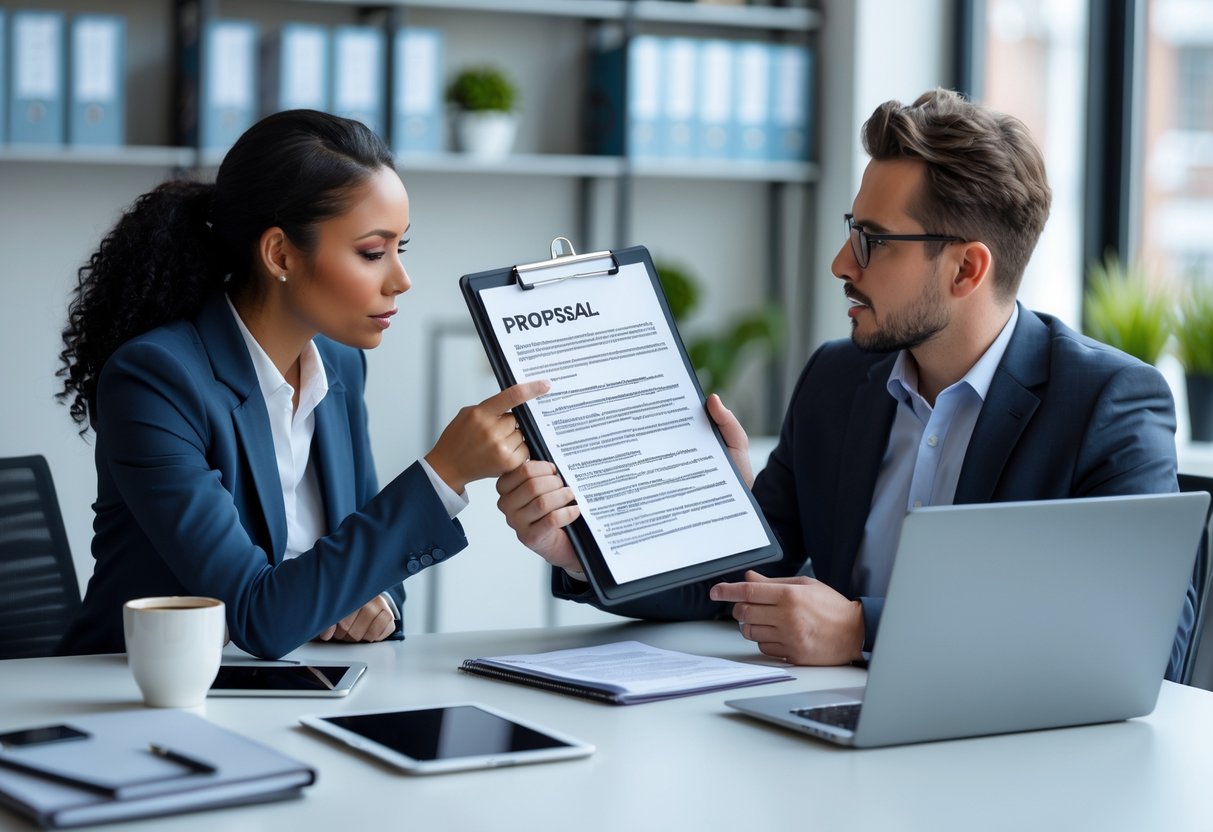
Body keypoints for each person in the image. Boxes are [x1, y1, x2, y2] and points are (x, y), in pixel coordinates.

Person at [495, 88, 1196, 679]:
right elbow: (737, 581)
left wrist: (865, 632)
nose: (840, 262)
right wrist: (588, 551)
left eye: (871, 240)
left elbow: (1138, 641)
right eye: (848, 230)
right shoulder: (837, 378)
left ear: (965, 270)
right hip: (824, 742)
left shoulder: (1106, 403)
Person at [55, 109, 546, 659]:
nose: (401, 280)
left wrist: (374, 602)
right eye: (372, 253)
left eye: (399, 249)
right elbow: (255, 615)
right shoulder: (155, 380)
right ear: (281, 254)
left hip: (297, 691)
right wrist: (445, 472)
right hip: (136, 695)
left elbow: (369, 558)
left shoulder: (339, 364)